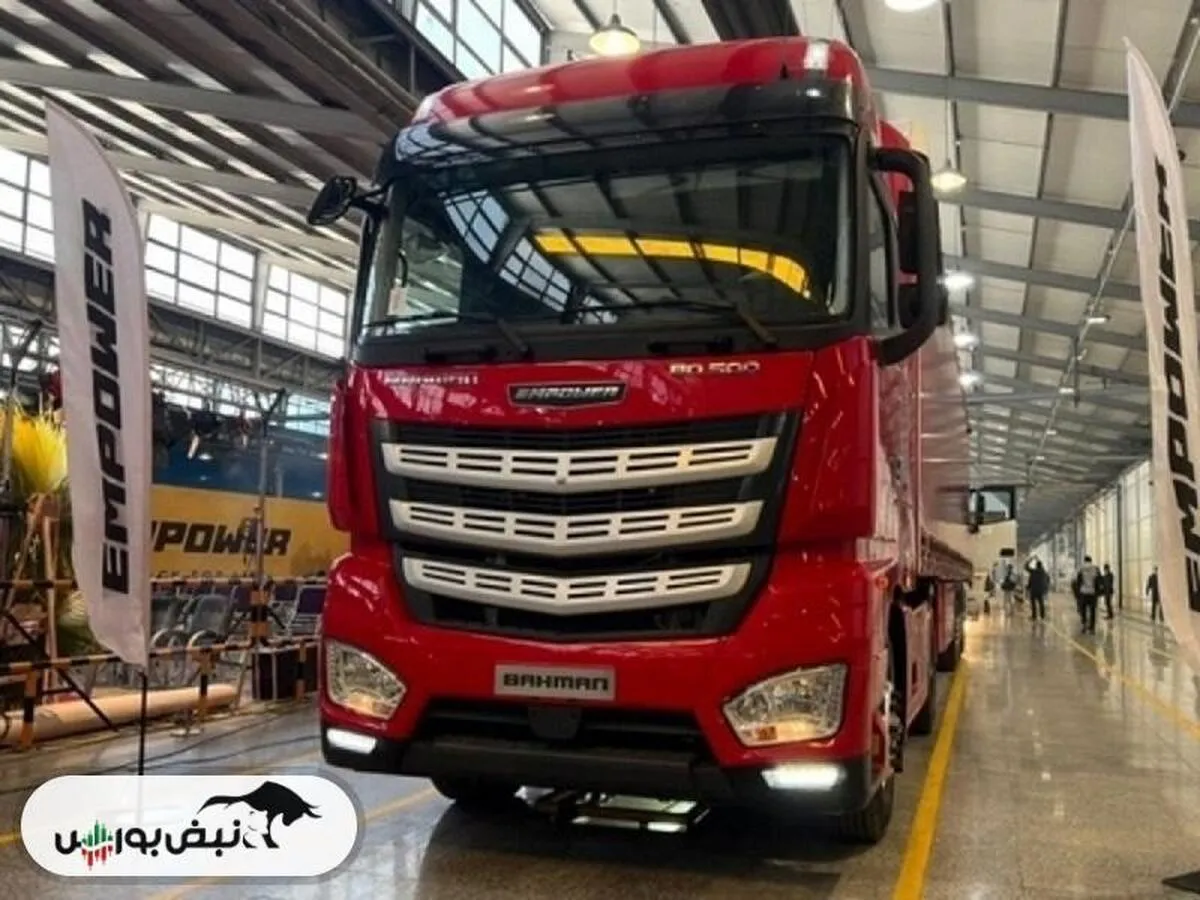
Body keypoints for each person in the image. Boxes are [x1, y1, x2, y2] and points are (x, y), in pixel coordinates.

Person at [1074, 556, 1101, 634]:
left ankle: (1084, 625)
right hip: (1092, 593)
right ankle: (1092, 628)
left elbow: (1078, 581)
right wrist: (1097, 592)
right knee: (1092, 611)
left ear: (1084, 561)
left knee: (1083, 610)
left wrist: (1078, 594)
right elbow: (1099, 581)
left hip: (1083, 592)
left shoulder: (1081, 569)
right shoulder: (1096, 568)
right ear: (1091, 561)